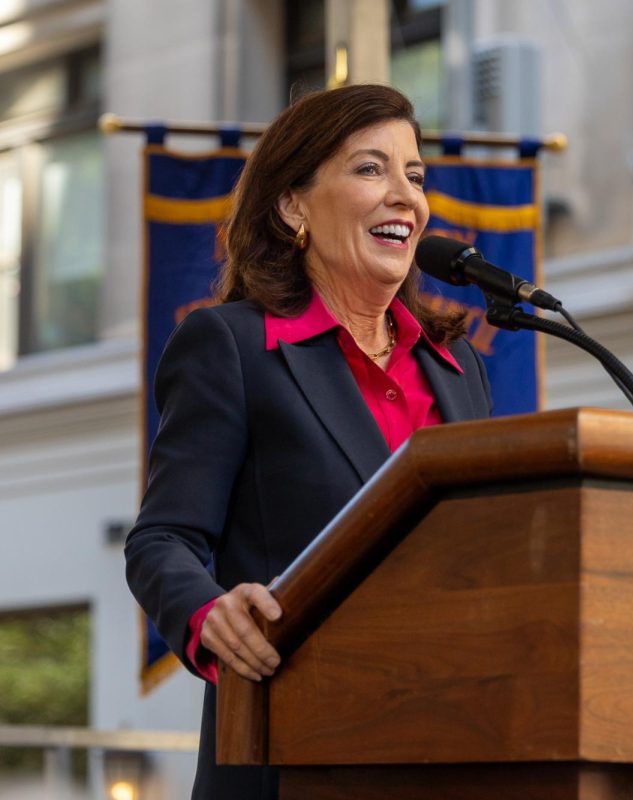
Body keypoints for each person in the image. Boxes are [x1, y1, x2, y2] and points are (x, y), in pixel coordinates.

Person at [125, 84, 493, 800]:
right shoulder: (231, 347)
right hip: (291, 753)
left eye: (414, 177)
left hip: (453, 750)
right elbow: (161, 539)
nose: (405, 197)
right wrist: (211, 613)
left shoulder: (459, 370)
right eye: (370, 169)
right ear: (293, 205)